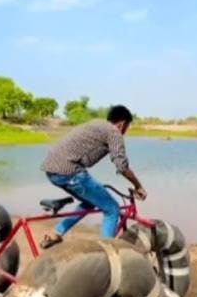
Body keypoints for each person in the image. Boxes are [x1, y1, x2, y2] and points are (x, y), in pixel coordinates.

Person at [38, 105, 147, 248]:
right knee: (112, 209)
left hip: (52, 170)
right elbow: (122, 166)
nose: (125, 132)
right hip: (70, 171)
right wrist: (138, 186)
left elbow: (88, 158)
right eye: (127, 126)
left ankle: (56, 233)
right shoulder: (114, 132)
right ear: (122, 123)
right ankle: (105, 252)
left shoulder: (97, 124)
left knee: (90, 202)